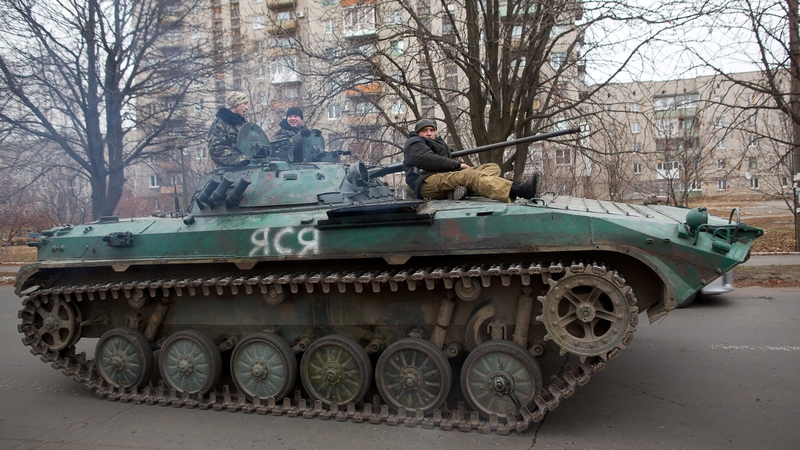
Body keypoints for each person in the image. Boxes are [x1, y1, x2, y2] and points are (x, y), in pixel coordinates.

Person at [403, 119, 540, 202]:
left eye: (431, 130)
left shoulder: (438, 143)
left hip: (444, 177)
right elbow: (428, 159)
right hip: (426, 182)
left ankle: (464, 190)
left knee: (492, 167)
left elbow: (442, 160)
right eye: (424, 130)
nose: (429, 133)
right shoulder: (414, 143)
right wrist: (457, 165)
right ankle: (518, 189)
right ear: (418, 133)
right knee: (470, 176)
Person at [207, 91, 251, 166]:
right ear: (236, 104)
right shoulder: (220, 124)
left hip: (248, 168)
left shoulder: (242, 123)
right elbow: (216, 150)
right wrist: (242, 159)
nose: (247, 108)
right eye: (245, 104)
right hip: (229, 171)